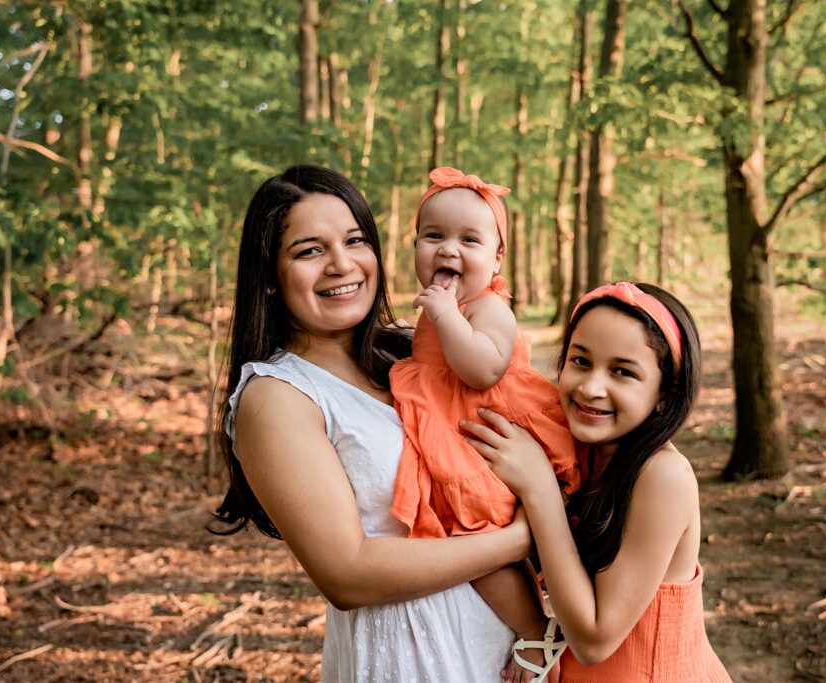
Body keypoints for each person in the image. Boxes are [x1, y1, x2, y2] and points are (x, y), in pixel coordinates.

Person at [212, 165, 534, 682]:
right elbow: (348, 574)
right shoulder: (278, 396)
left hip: (506, 651)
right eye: (309, 250)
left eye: (355, 240)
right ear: (270, 278)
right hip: (410, 658)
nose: (342, 265)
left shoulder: (416, 350)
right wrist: (521, 538)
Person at [463, 281, 732, 682]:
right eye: (581, 362)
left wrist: (539, 490)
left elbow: (595, 640)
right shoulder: (571, 452)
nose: (591, 388)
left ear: (666, 393)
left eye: (622, 372)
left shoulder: (662, 476)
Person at [388, 167, 580, 682]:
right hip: (448, 428)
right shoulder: (441, 307)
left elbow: (483, 368)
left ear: (496, 258)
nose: (449, 251)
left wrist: (448, 317)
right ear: (414, 247)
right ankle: (537, 619)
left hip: (480, 436)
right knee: (463, 539)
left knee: (478, 535)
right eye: (434, 236)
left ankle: (539, 632)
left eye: (469, 240)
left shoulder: (489, 306)